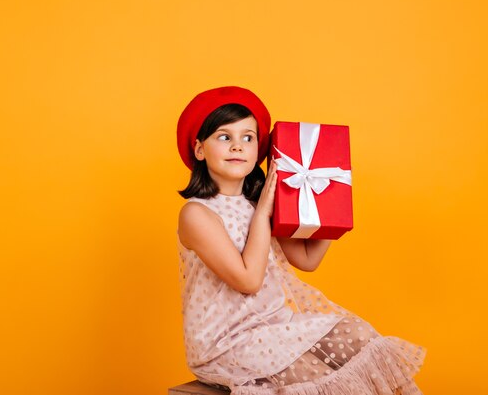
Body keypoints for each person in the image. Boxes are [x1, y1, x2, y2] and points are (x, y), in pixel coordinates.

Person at [175, 86, 426, 395]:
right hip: (226, 342)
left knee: (360, 336)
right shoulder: (197, 215)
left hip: (276, 325)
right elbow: (248, 280)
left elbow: (307, 260)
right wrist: (265, 209)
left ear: (259, 150)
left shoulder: (258, 204)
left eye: (248, 138)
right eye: (224, 137)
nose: (237, 146)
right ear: (200, 149)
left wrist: (334, 204)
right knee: (319, 376)